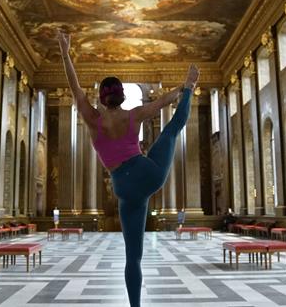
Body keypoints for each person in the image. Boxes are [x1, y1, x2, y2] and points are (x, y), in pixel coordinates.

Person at [58, 31, 199, 307]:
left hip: (122, 188)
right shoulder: (133, 116)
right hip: (148, 174)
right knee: (171, 131)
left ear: (100, 98)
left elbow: (74, 87)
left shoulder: (92, 119)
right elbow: (162, 102)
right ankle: (191, 88)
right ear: (122, 96)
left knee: (132, 256)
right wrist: (183, 88)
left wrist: (65, 53)